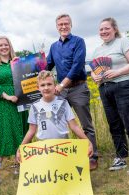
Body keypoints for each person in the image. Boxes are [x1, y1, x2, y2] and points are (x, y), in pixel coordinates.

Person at [91, 17, 129, 174]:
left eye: (107, 28)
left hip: (125, 86)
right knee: (114, 125)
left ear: (114, 29)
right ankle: (121, 157)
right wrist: (95, 77)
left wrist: (117, 72)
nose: (103, 31)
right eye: (101, 29)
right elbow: (95, 70)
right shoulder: (97, 50)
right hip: (105, 89)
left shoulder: (123, 42)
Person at [46, 13, 98, 170]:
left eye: (66, 24)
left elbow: (77, 66)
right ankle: (65, 156)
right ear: (57, 27)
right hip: (61, 91)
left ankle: (92, 156)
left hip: (78, 88)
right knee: (60, 124)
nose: (63, 26)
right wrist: (22, 65)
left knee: (85, 124)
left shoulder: (79, 41)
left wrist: (61, 85)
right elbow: (46, 66)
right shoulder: (54, 47)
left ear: (71, 25)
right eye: (60, 24)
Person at [16, 70, 93, 162]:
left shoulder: (63, 103)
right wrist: (21, 148)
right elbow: (31, 131)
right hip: (44, 148)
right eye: (43, 85)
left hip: (63, 146)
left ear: (55, 85)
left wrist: (87, 142)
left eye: (49, 84)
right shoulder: (35, 106)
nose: (46, 87)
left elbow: (74, 126)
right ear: (38, 88)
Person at [0, 36, 29, 187]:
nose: (3, 47)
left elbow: (28, 77)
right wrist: (7, 96)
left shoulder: (17, 62)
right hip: (2, 104)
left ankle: (20, 166)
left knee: (21, 132)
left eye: (6, 45)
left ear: (10, 46)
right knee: (2, 136)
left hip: (20, 102)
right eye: (0, 45)